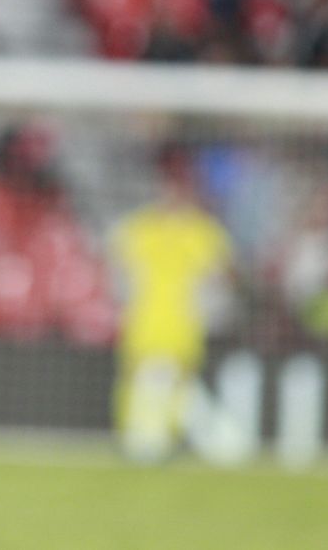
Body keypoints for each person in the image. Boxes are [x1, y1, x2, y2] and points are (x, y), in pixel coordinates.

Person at [110, 149, 233, 462]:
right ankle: (148, 438)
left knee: (175, 384)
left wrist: (208, 306)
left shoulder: (203, 231)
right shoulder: (138, 228)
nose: (172, 193)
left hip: (183, 325)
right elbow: (116, 270)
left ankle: (159, 439)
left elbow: (223, 278)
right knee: (146, 381)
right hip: (144, 323)